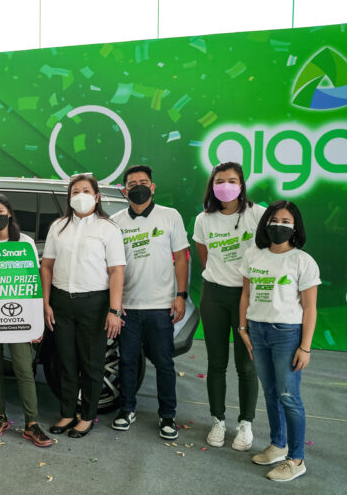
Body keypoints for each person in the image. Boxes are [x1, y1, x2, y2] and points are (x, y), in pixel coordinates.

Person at [238, 201, 319, 482]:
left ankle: (296, 459)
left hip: (287, 334)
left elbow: (310, 308)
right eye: (274, 220)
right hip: (257, 331)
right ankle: (278, 444)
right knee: (271, 392)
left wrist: (305, 347)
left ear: (295, 227)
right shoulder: (253, 255)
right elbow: (246, 294)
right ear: (265, 224)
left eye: (286, 221)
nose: (279, 226)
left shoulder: (302, 261)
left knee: (289, 396)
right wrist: (243, 328)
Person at [40, 174, 126, 438]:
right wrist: (46, 303)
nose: (80, 195)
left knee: (91, 364)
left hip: (95, 304)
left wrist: (114, 311)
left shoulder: (107, 228)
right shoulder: (58, 227)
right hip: (61, 302)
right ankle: (67, 413)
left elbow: (117, 271)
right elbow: (47, 266)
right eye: (75, 191)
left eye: (86, 191)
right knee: (65, 362)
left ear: (96, 196)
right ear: (69, 198)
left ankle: (87, 417)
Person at [110, 165, 189, 439]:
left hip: (161, 305)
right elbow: (113, 267)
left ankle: (167, 415)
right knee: (127, 361)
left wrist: (181, 295)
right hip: (128, 307)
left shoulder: (170, 216)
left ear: (153, 187)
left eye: (143, 182)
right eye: (132, 184)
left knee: (164, 363)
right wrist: (115, 304)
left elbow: (182, 258)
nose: (138, 187)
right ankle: (126, 409)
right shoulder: (116, 222)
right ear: (124, 191)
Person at [0, 194, 51, 447]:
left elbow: (34, 282)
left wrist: (37, 322)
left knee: (23, 368)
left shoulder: (25, 243)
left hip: (21, 313)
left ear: (10, 213)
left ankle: (31, 423)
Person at [193, 161, 266, 450]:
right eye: (219, 181)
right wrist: (220, 278)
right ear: (212, 186)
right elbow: (205, 257)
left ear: (242, 184)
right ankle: (218, 420)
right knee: (216, 362)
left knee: (246, 365)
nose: (226, 186)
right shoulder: (204, 219)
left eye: (232, 181)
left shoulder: (257, 214)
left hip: (247, 297)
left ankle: (246, 424)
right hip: (214, 295)